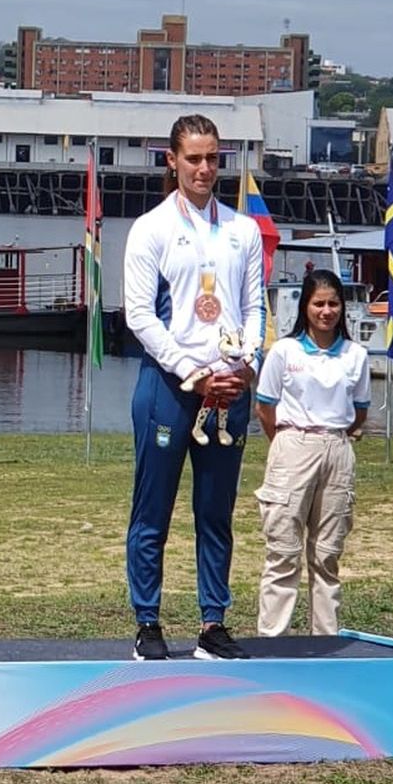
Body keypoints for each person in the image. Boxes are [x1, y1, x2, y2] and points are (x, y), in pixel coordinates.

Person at [123, 115, 264, 661]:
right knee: (152, 509)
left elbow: (254, 306)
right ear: (172, 161)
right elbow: (139, 314)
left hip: (229, 389)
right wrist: (192, 370)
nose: (204, 169)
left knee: (215, 510)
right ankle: (148, 622)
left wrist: (245, 365)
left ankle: (212, 623)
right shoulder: (151, 228)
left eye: (212, 159)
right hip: (170, 386)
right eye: (194, 159)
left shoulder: (242, 230)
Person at [254, 269, 369, 636]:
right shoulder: (284, 352)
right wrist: (287, 443)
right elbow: (265, 407)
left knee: (327, 554)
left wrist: (337, 437)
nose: (326, 311)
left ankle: (326, 642)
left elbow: (360, 409)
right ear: (305, 306)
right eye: (318, 303)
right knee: (283, 551)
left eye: (333, 303)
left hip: (337, 448)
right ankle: (273, 641)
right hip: (292, 446)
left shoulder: (356, 355)